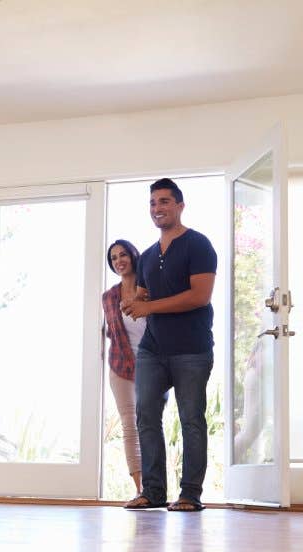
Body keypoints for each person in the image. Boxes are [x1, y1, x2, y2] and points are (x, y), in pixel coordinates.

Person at [121, 178, 218, 512]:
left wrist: (148, 306)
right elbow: (147, 292)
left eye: (163, 202)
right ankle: (153, 491)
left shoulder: (198, 245)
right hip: (152, 349)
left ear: (179, 205)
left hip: (192, 348)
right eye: (152, 203)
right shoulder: (147, 256)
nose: (157, 209)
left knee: (191, 418)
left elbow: (200, 295)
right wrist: (137, 298)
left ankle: (190, 493)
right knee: (145, 414)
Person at [101, 239, 144, 496]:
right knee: (130, 424)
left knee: (151, 424)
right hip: (121, 366)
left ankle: (156, 484)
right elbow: (111, 332)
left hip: (153, 365)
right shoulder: (109, 297)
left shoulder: (151, 290)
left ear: (133, 255)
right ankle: (141, 489)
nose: (119, 261)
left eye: (123, 255)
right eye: (114, 258)